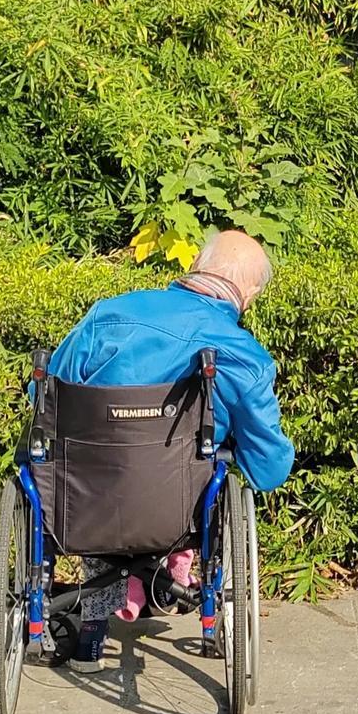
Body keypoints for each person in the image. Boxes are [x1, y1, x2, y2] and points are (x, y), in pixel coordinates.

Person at [44, 229, 294, 671]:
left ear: (198, 264)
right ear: (250, 292)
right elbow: (269, 469)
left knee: (102, 481)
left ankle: (92, 637)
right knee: (202, 473)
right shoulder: (241, 353)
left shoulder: (108, 315)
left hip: (87, 500)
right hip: (176, 510)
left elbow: (47, 398)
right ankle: (177, 593)